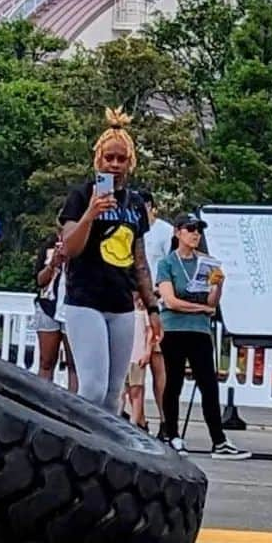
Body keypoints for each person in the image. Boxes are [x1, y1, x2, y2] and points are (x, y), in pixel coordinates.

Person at [60, 108, 162, 413]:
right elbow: (70, 247)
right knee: (92, 388)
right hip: (85, 299)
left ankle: (104, 453)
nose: (115, 165)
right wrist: (90, 213)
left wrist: (152, 306)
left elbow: (138, 259)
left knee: (114, 392)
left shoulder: (134, 204)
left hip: (121, 302)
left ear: (130, 162)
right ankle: (76, 442)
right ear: (98, 160)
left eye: (121, 159)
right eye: (109, 158)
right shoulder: (80, 196)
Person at [157, 212, 250, 460]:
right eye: (190, 229)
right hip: (175, 329)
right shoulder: (167, 263)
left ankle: (218, 440)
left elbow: (211, 301)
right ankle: (172, 434)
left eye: (198, 229)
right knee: (173, 382)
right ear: (178, 233)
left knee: (208, 384)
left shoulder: (206, 262)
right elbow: (170, 301)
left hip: (199, 330)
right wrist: (201, 308)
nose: (195, 234)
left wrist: (218, 285)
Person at [139, 188, 171, 439]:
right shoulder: (128, 227)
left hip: (156, 303)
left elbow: (168, 266)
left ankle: (165, 420)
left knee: (159, 366)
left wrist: (156, 293)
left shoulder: (165, 231)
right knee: (132, 368)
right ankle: (136, 417)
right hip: (132, 303)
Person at [33, 228, 77, 391]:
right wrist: (52, 264)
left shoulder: (82, 247)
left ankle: (73, 410)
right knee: (46, 361)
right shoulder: (49, 247)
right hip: (48, 304)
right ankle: (41, 403)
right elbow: (39, 281)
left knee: (74, 364)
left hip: (72, 307)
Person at [123, 294, 152, 429]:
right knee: (121, 392)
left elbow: (150, 331)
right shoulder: (122, 310)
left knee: (136, 391)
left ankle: (134, 425)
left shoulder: (142, 311)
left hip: (137, 356)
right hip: (123, 357)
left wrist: (147, 352)